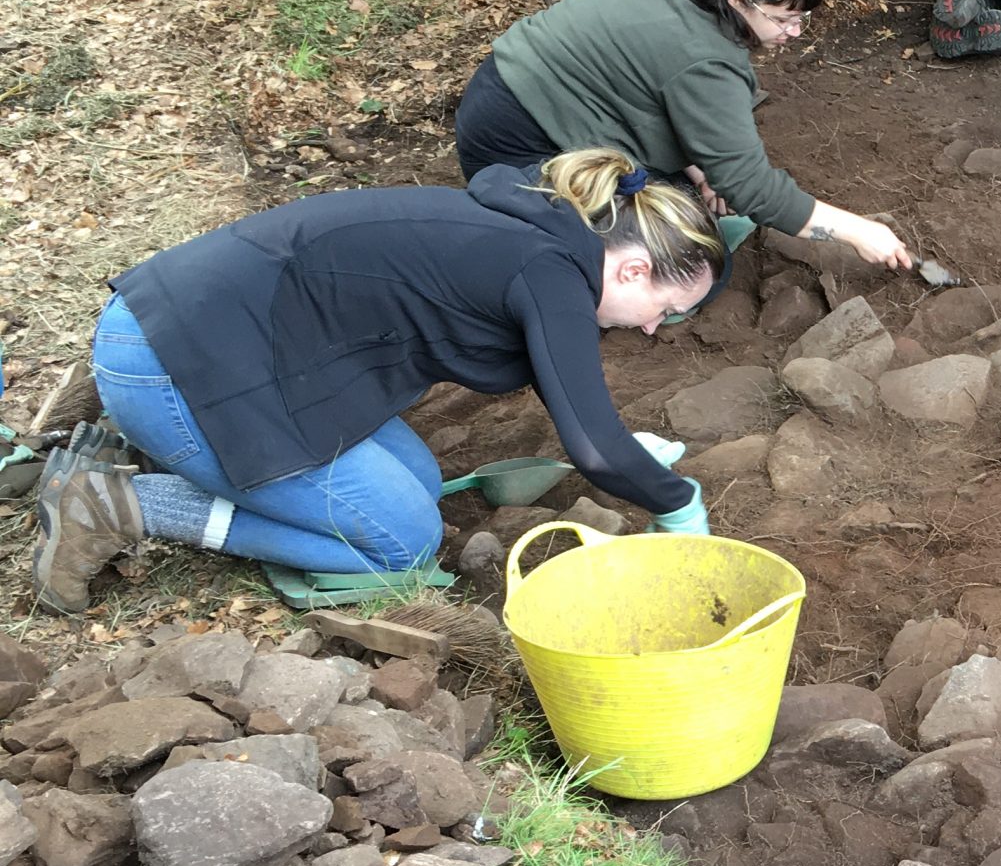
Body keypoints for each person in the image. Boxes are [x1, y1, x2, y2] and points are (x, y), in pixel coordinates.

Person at [29, 150, 727, 614]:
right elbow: (596, 448)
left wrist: (632, 457)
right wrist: (679, 506)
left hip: (188, 334)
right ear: (633, 269)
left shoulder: (539, 229)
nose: (652, 330)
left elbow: (582, 413)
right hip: (170, 366)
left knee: (416, 486)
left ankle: (169, 454)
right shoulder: (550, 276)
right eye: (663, 311)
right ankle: (125, 504)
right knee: (402, 544)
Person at [455, 0, 912, 272]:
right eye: (785, 20)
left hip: (524, 97)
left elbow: (652, 87)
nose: (795, 33)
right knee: (692, 267)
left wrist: (702, 168)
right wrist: (858, 230)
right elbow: (751, 187)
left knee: (687, 198)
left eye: (801, 18)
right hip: (520, 148)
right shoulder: (707, 60)